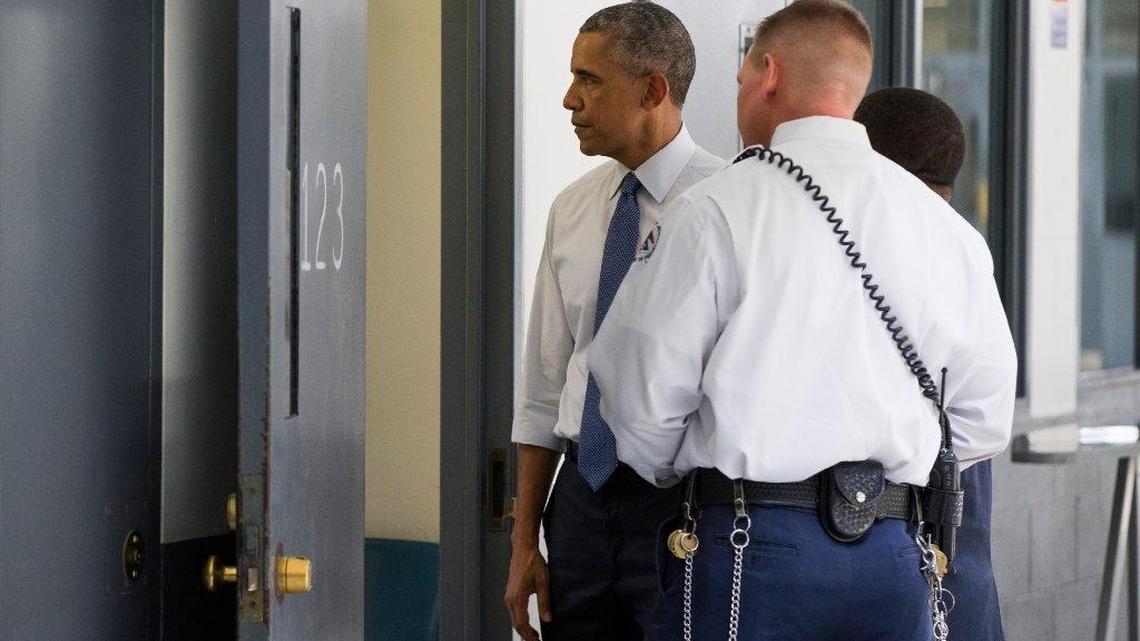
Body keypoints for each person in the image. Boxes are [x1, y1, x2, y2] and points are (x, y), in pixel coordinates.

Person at [588, 1, 1018, 639]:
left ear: (768, 74)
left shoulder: (713, 210)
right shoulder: (943, 228)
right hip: (895, 556)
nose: (739, 96)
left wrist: (693, 466)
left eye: (739, 82)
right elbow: (983, 417)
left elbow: (637, 393)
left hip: (746, 547)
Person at [504, 4, 724, 641]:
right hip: (580, 500)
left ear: (654, 89)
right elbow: (544, 388)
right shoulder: (573, 209)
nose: (570, 100)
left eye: (589, 80)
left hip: (683, 503)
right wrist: (525, 541)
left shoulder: (726, 207)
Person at [855, 86, 1006, 641]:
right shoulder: (961, 242)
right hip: (952, 470)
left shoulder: (923, 241)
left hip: (925, 481)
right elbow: (989, 415)